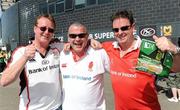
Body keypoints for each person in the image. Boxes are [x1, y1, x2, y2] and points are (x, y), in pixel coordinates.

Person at [101, 9, 180, 110]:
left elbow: (177, 68)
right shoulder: (109, 48)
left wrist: (175, 50)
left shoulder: (148, 50)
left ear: (133, 27)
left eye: (124, 28)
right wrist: (90, 41)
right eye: (116, 30)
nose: (120, 32)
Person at [0, 14, 63, 110]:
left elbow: (77, 41)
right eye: (43, 28)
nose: (47, 32)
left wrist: (90, 41)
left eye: (50, 30)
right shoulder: (21, 51)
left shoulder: (57, 47)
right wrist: (24, 58)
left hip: (57, 107)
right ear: (35, 29)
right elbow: (4, 81)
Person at [60, 22, 110, 110]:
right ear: (68, 37)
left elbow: (118, 72)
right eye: (73, 36)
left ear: (87, 37)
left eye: (81, 35)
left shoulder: (99, 53)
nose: (77, 39)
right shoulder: (63, 54)